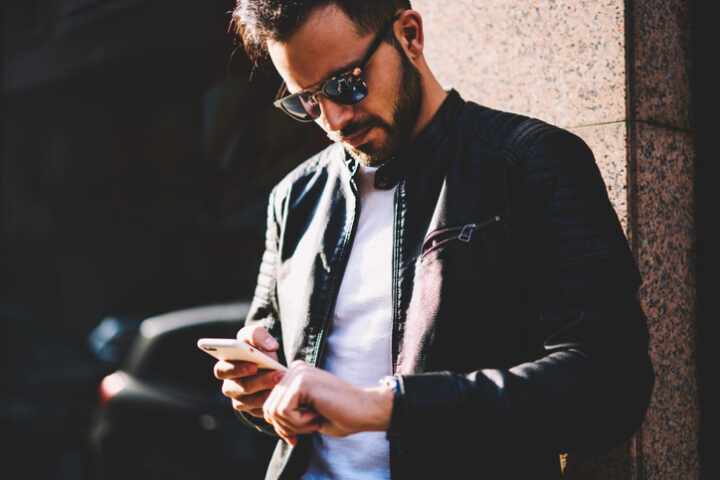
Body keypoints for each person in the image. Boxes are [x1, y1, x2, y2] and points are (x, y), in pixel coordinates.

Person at [213, 1, 654, 478]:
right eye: (310, 101)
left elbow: (610, 383)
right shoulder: (294, 198)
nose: (334, 120)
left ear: (410, 35)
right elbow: (270, 354)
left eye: (347, 84)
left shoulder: (528, 162)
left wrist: (388, 406)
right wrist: (256, 388)